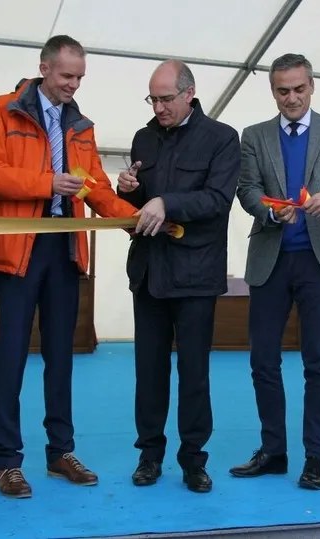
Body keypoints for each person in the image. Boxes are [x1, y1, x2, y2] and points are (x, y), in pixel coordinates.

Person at [0, 35, 139, 498]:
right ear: (43, 68)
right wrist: (48, 183)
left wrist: (131, 218)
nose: (73, 85)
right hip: (18, 248)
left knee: (62, 355)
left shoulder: (80, 126)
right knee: (11, 354)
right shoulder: (1, 109)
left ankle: (60, 451)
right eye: (67, 76)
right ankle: (7, 461)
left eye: (80, 77)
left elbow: (96, 186)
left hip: (64, 247)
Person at [230, 53, 320, 490]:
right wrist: (271, 213)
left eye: (298, 88)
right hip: (270, 261)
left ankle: (315, 458)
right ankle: (274, 451)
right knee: (262, 361)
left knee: (319, 362)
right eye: (282, 90)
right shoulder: (253, 136)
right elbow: (247, 190)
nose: (291, 97)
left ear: (312, 86)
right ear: (273, 91)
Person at [116, 59, 240, 493]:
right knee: (148, 372)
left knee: (194, 372)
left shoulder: (222, 139)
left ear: (189, 94)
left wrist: (167, 202)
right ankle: (149, 455)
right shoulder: (143, 137)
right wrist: (127, 189)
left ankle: (193, 460)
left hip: (195, 275)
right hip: (149, 271)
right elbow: (140, 202)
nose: (158, 107)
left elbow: (218, 200)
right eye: (152, 98)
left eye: (165, 98)